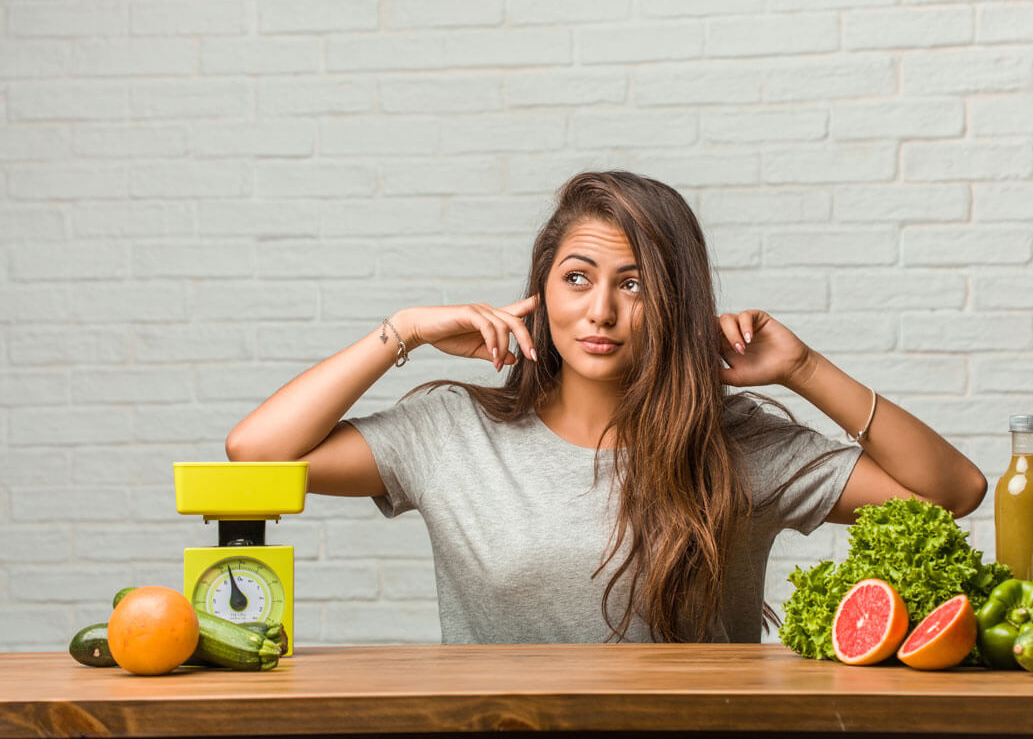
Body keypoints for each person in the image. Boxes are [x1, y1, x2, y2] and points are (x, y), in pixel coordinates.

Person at [225, 170, 986, 644]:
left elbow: (951, 492)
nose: (601, 312)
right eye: (578, 278)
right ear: (542, 291)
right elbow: (255, 452)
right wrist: (405, 331)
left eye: (633, 284)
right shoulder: (453, 432)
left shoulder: (735, 443)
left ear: (674, 302)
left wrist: (803, 368)